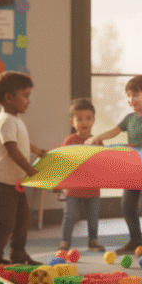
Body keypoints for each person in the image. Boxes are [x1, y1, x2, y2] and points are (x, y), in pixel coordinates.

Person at [86, 75, 142, 254]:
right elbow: (114, 131)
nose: (131, 100)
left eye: (135, 95)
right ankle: (135, 240)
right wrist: (97, 137)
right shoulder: (129, 118)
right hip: (133, 169)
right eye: (129, 96)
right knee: (126, 206)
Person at [0, 71, 47, 265]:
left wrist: (36, 150)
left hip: (14, 183)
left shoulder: (15, 119)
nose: (29, 101)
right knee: (5, 223)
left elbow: (20, 144)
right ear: (9, 98)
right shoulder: (6, 120)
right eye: (25, 96)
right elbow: (12, 150)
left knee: (22, 221)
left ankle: (18, 255)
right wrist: (31, 171)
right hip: (1, 183)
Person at [57, 98, 105, 252]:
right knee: (70, 215)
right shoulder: (69, 141)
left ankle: (93, 240)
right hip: (73, 188)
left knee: (93, 217)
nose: (84, 122)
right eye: (79, 119)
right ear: (72, 122)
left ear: (93, 120)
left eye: (88, 118)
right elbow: (63, 162)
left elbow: (102, 164)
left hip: (92, 188)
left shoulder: (97, 142)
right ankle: (65, 241)